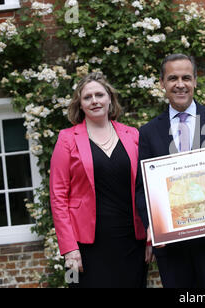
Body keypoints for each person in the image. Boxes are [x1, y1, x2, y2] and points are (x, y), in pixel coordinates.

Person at [135, 53, 205, 288]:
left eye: (186, 77)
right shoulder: (148, 132)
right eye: (172, 78)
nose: (180, 84)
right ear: (162, 83)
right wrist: (152, 224)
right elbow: (142, 188)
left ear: (195, 81)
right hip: (172, 247)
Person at [49, 72, 148, 288]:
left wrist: (150, 237)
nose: (94, 100)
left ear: (110, 99)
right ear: (80, 104)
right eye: (87, 97)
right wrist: (69, 248)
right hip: (84, 247)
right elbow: (58, 197)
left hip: (131, 241)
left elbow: (146, 189)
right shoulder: (67, 139)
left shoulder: (133, 135)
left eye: (99, 95)